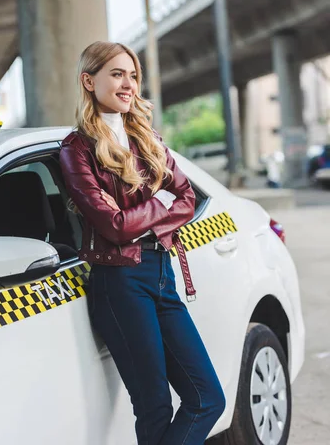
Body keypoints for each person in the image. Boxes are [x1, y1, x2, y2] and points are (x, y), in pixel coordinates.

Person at [59, 41, 225, 445]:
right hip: (119, 282)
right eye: (117, 74)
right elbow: (114, 227)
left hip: (162, 274)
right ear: (89, 80)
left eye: (132, 75)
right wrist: (161, 201)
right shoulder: (76, 150)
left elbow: (187, 197)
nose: (128, 83)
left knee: (207, 398)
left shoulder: (145, 139)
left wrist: (148, 211)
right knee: (154, 408)